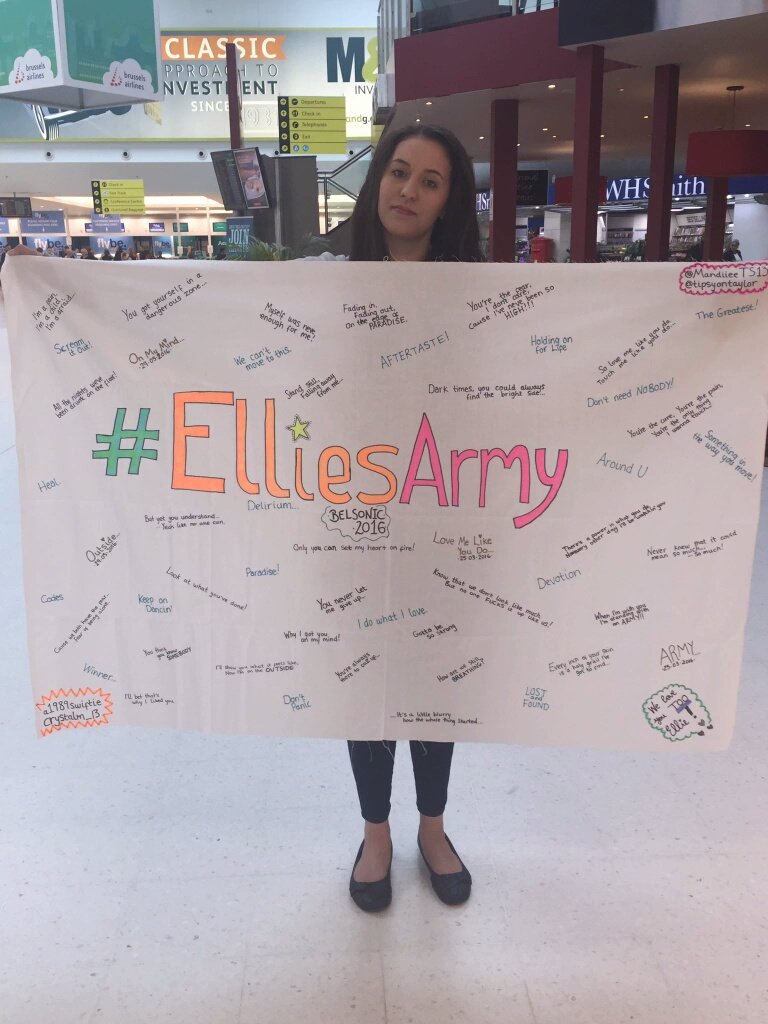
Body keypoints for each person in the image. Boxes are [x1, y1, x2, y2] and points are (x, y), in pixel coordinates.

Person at [345, 124, 481, 913]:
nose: (408, 191)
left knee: (434, 673)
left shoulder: (474, 293)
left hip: (444, 515)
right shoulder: (325, 283)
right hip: (350, 515)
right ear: (377, 181)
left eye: (431, 181)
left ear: (448, 201)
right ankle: (376, 833)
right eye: (399, 172)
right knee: (365, 678)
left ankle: (433, 827)